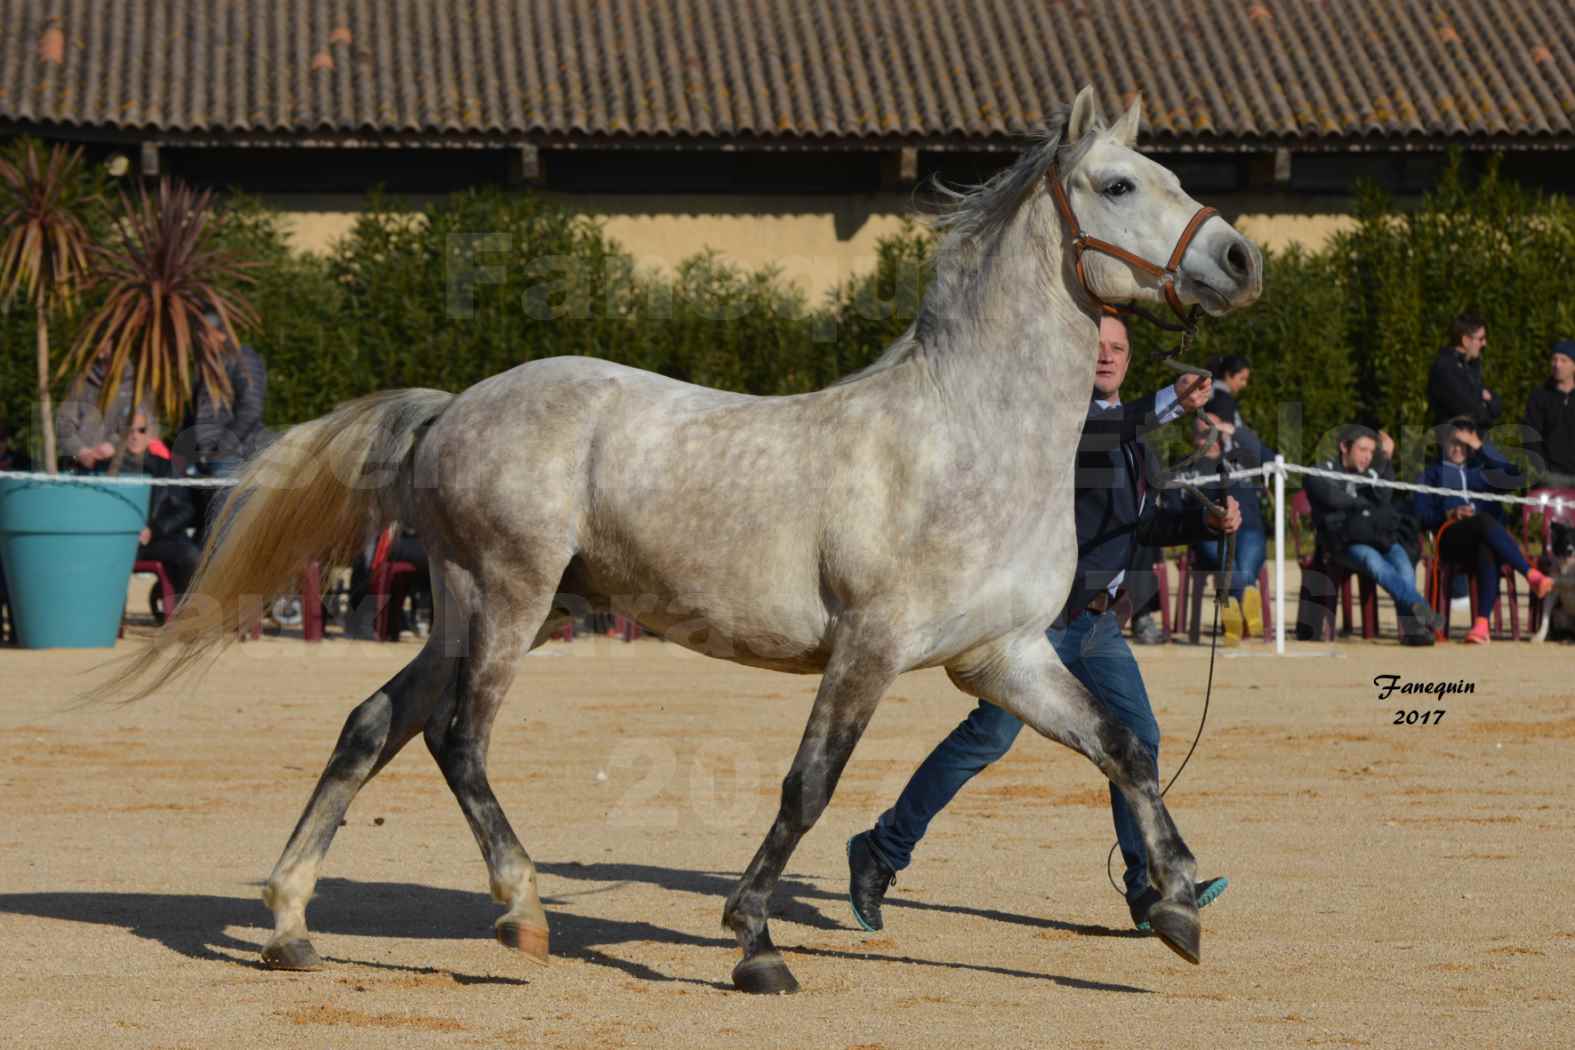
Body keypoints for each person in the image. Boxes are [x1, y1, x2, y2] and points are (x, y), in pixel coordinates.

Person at [845, 315, 1238, 934]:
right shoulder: (1064, 419)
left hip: (1098, 630)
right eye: (1097, 347)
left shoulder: (1128, 433)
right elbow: (1105, 432)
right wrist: (1169, 401)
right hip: (1037, 628)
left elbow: (1140, 523)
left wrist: (1204, 525)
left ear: (1130, 360)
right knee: (988, 739)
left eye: (1118, 348)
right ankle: (881, 849)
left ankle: (1148, 889)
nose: (1106, 356)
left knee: (1138, 740)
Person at [1414, 417, 1553, 645]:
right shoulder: (1431, 474)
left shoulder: (1482, 471)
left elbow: (1515, 475)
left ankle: (1480, 625)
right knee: (1485, 521)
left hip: (1483, 539)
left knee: (1486, 545)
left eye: (1464, 443)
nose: (1459, 448)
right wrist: (1449, 515)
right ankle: (1530, 573)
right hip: (1450, 538)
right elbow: (1421, 515)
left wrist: (1481, 448)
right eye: (1454, 442)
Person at [1304, 426, 1440, 646]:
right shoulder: (1322, 471)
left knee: (1404, 564)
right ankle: (1422, 610)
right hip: (1344, 542)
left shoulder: (1377, 471)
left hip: (1379, 537)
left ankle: (1413, 630)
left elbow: (1384, 497)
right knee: (1373, 561)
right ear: (1344, 447)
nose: (1367, 456)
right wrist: (1365, 499)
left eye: (1371, 451)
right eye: (1362, 449)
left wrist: (1384, 459)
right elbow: (1333, 499)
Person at [173, 308, 269, 541]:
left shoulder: (243, 359)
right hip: (204, 459)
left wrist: (221, 447)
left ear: (216, 334)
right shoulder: (206, 365)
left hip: (234, 456)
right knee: (208, 529)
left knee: (226, 530)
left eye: (201, 335)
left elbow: (251, 408)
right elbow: (195, 412)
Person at [1186, 412, 1267, 643]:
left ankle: (1232, 609)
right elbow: (1174, 505)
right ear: (1194, 438)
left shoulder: (1240, 458)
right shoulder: (1188, 466)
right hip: (1209, 533)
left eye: (1215, 431)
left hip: (1249, 529)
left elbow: (1270, 455)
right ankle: (1246, 599)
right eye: (1204, 432)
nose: (1210, 437)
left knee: (1245, 561)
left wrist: (1234, 430)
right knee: (1228, 562)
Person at [55, 348, 158, 471]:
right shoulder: (80, 382)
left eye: (110, 340)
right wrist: (80, 451)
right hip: (80, 468)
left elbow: (149, 429)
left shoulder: (139, 383)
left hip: (125, 468)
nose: (103, 345)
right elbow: (64, 424)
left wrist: (115, 446)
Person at [1523, 339, 1575, 559]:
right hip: (1546, 479)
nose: (1557, 364)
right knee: (1536, 528)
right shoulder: (1539, 397)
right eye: (1554, 359)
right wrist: (1542, 473)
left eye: (1563, 360)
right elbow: (1531, 438)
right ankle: (1538, 577)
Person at [1427, 313, 1500, 431]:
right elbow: (1469, 410)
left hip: (1476, 441)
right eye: (1480, 339)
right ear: (1465, 340)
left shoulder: (1471, 365)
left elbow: (1496, 405)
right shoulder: (1445, 369)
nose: (1484, 343)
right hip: (1457, 444)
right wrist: (1485, 403)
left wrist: (1488, 402)